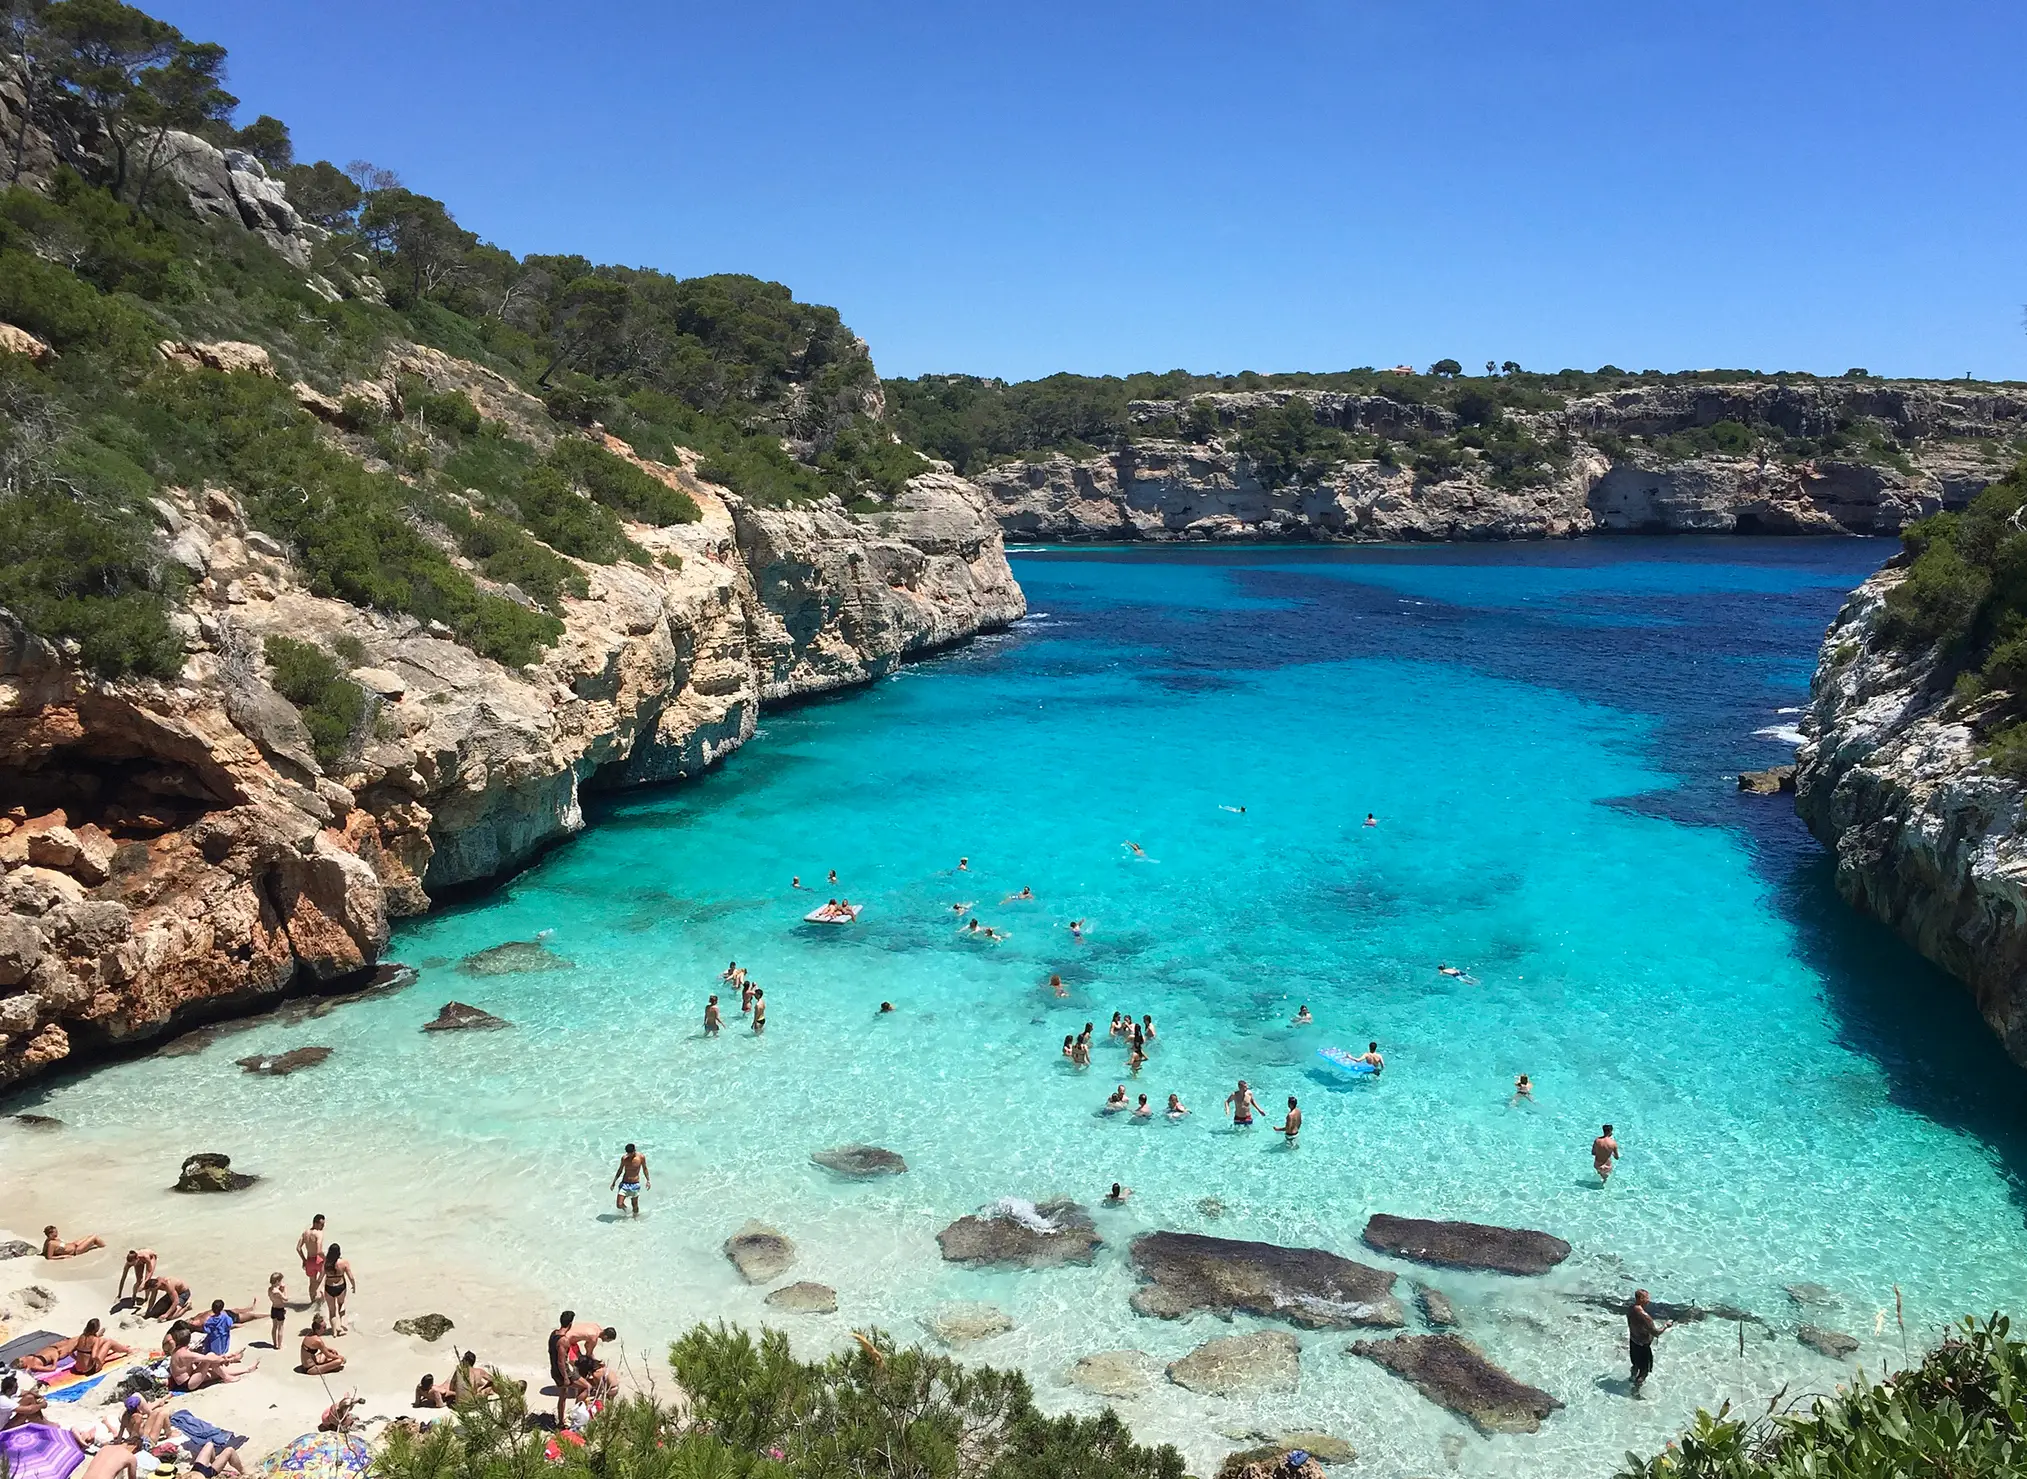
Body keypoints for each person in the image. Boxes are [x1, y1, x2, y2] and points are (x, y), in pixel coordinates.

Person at [1627, 1289, 1670, 1395]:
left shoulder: (1631, 1309)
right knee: (1644, 1372)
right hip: (1643, 1347)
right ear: (1641, 1299)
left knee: (1635, 1364)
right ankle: (1635, 1391)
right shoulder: (1645, 1317)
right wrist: (1666, 1326)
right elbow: (1656, 1333)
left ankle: (1632, 1377)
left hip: (1633, 1342)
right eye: (1647, 1298)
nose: (1649, 1301)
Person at [170, 1342, 256, 1391]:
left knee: (215, 1372)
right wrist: (226, 1359)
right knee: (210, 1358)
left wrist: (226, 1358)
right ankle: (227, 1378)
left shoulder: (178, 1352)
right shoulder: (185, 1354)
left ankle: (247, 1370)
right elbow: (209, 1358)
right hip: (188, 1384)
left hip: (190, 1378)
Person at [297, 1214, 327, 1318]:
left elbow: (298, 1248)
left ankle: (312, 1303)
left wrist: (304, 1260)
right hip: (318, 1260)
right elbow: (319, 1251)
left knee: (311, 1282)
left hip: (309, 1260)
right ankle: (321, 1299)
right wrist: (326, 1258)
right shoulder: (319, 1233)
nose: (323, 1226)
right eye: (322, 1224)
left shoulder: (305, 1233)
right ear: (315, 1223)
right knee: (325, 1276)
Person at [322, 1243, 356, 1334]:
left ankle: (334, 1332)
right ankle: (340, 1325)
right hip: (341, 1287)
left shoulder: (326, 1263)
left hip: (329, 1287)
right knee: (341, 1304)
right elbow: (351, 1277)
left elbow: (320, 1278)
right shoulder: (344, 1263)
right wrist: (354, 1286)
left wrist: (317, 1288)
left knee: (332, 1311)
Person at [612, 1143, 650, 1217]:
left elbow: (645, 1168)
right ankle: (627, 1211)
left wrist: (648, 1180)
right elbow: (620, 1170)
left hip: (635, 1184)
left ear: (634, 1151)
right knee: (619, 1204)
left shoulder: (641, 1157)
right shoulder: (624, 1158)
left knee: (635, 1205)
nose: (629, 1155)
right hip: (624, 1183)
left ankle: (635, 1218)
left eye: (630, 1153)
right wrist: (614, 1182)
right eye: (627, 1153)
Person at [267, 1273, 288, 1350]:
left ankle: (274, 1343)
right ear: (277, 1281)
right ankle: (279, 1345)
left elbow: (274, 1297)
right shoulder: (277, 1292)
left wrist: (280, 1289)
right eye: (280, 1281)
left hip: (273, 1308)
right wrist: (284, 1289)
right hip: (280, 1309)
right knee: (280, 1328)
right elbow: (286, 1299)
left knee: (274, 1327)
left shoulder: (270, 1290)